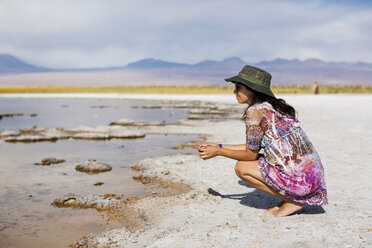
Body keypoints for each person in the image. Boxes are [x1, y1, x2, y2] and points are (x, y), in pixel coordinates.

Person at [198, 65, 327, 217]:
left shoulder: (255, 111)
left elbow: (250, 155)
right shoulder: (274, 107)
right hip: (312, 176)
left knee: (242, 168)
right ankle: (291, 199)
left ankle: (293, 201)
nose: (234, 92)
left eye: (238, 87)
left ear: (251, 90)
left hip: (300, 178)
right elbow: (253, 147)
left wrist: (219, 152)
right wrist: (219, 145)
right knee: (247, 163)